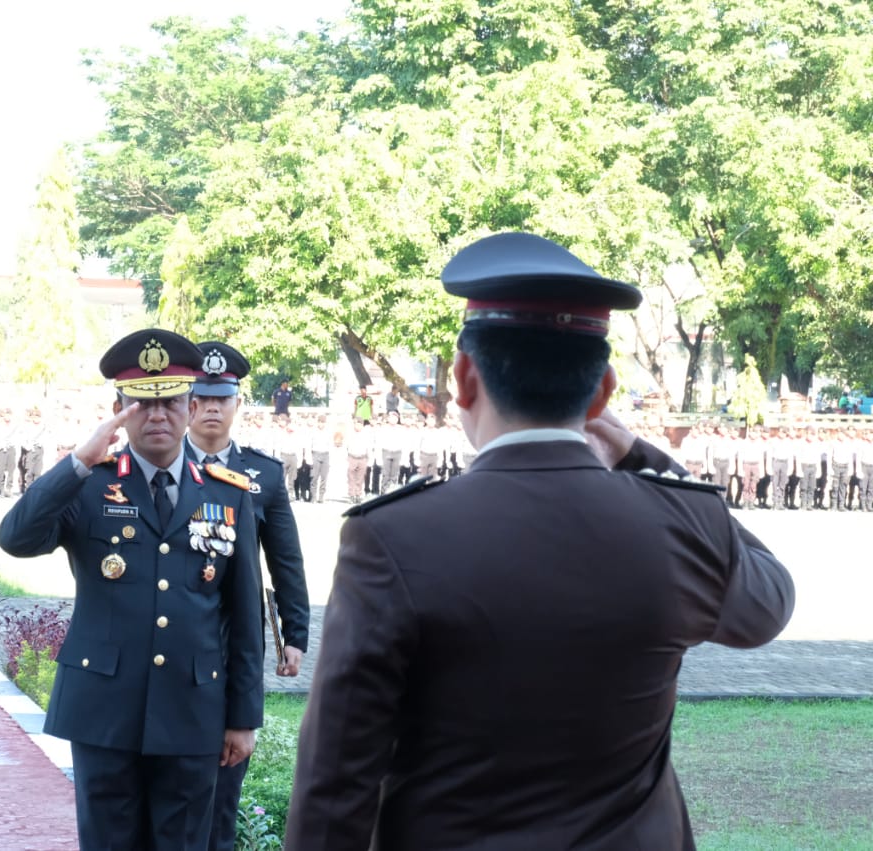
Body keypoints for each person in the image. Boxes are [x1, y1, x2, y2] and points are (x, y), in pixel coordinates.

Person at [286, 232, 795, 851]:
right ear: (604, 391)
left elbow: (337, 781)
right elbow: (768, 602)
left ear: (464, 377)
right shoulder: (683, 525)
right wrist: (642, 458)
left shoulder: (394, 536)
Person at [0, 329, 264, 851]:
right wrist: (77, 461)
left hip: (193, 709)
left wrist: (243, 717)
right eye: (142, 403)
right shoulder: (90, 484)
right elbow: (15, 538)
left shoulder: (227, 493)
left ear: (189, 406)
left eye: (169, 402)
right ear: (118, 409)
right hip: (104, 710)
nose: (157, 415)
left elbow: (244, 612)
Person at [186, 340, 310, 851]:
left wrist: (295, 635)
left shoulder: (264, 475)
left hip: (231, 644)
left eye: (223, 399)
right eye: (204, 398)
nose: (213, 408)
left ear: (238, 404)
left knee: (221, 798)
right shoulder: (165, 467)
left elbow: (285, 560)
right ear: (188, 404)